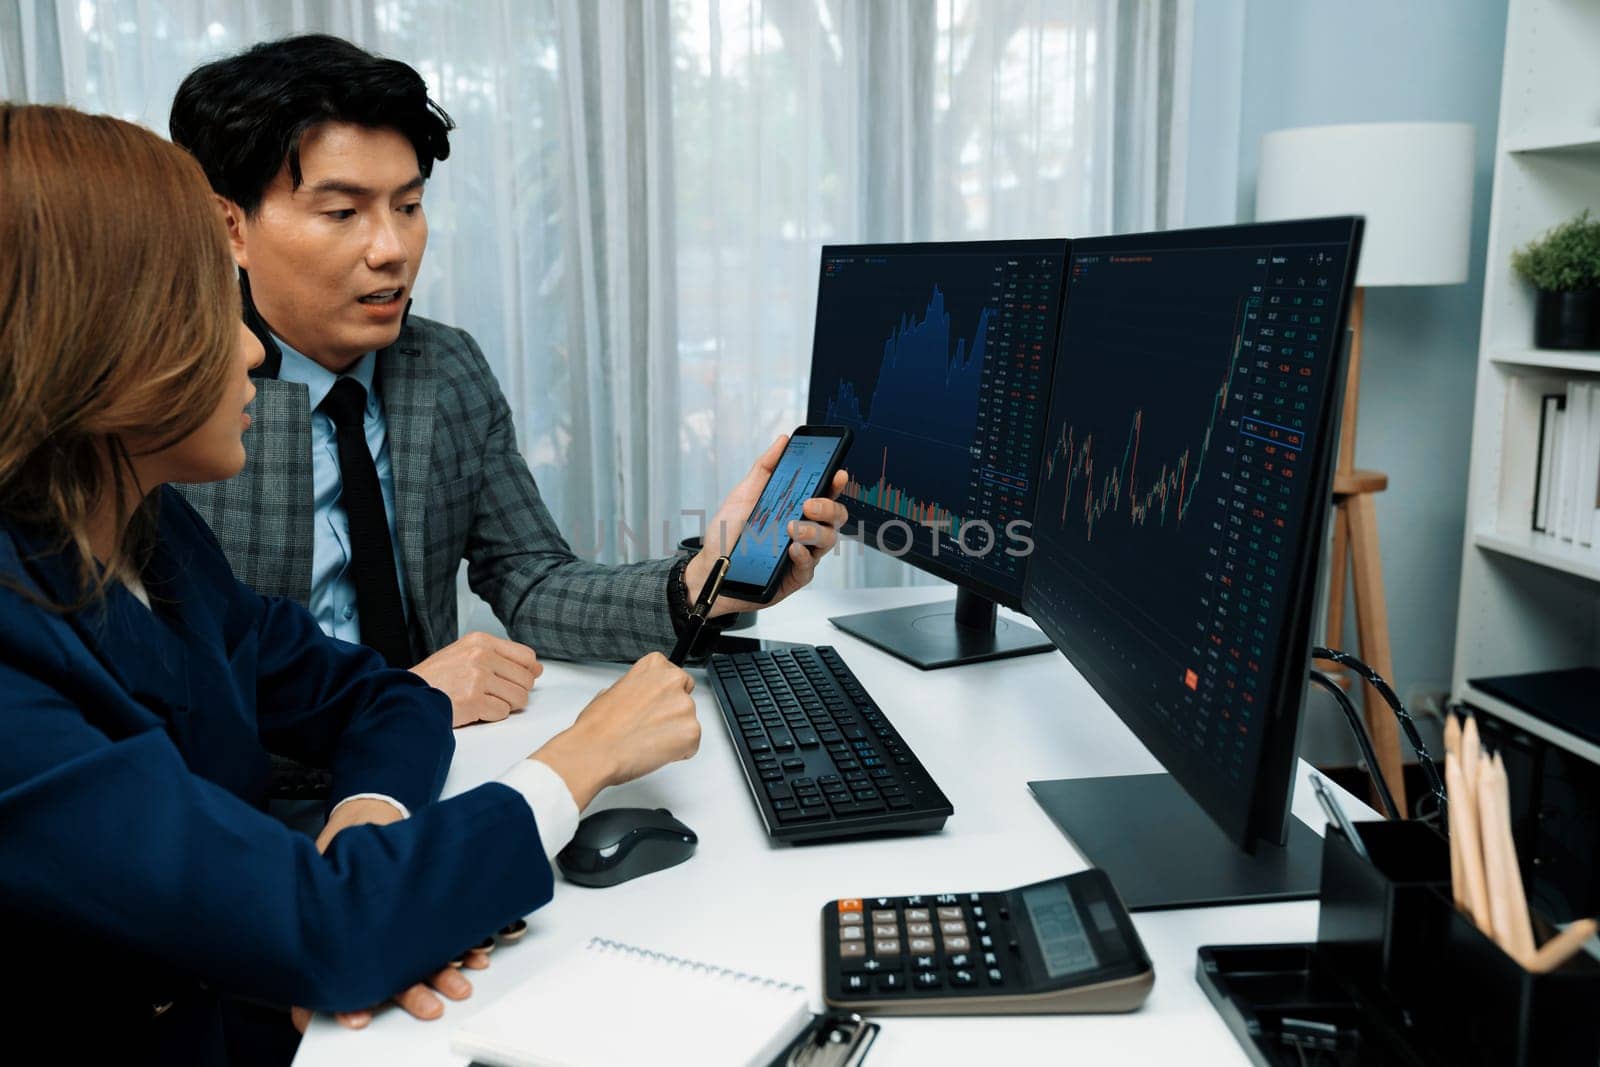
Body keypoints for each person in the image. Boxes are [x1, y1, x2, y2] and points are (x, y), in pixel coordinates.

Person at [0, 102, 706, 1066]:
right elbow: (306, 920)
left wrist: (366, 828)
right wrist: (582, 759)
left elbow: (380, 693)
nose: (247, 349)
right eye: (209, 306)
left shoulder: (151, 539)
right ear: (98, 339)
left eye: (409, 206)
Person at [168, 34, 850, 728]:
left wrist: (703, 579)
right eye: (343, 213)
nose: (392, 249)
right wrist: (396, 701)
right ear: (232, 228)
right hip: (248, 802)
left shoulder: (445, 365)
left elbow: (532, 581)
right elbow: (153, 677)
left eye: (408, 206)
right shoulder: (165, 393)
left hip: (432, 762)